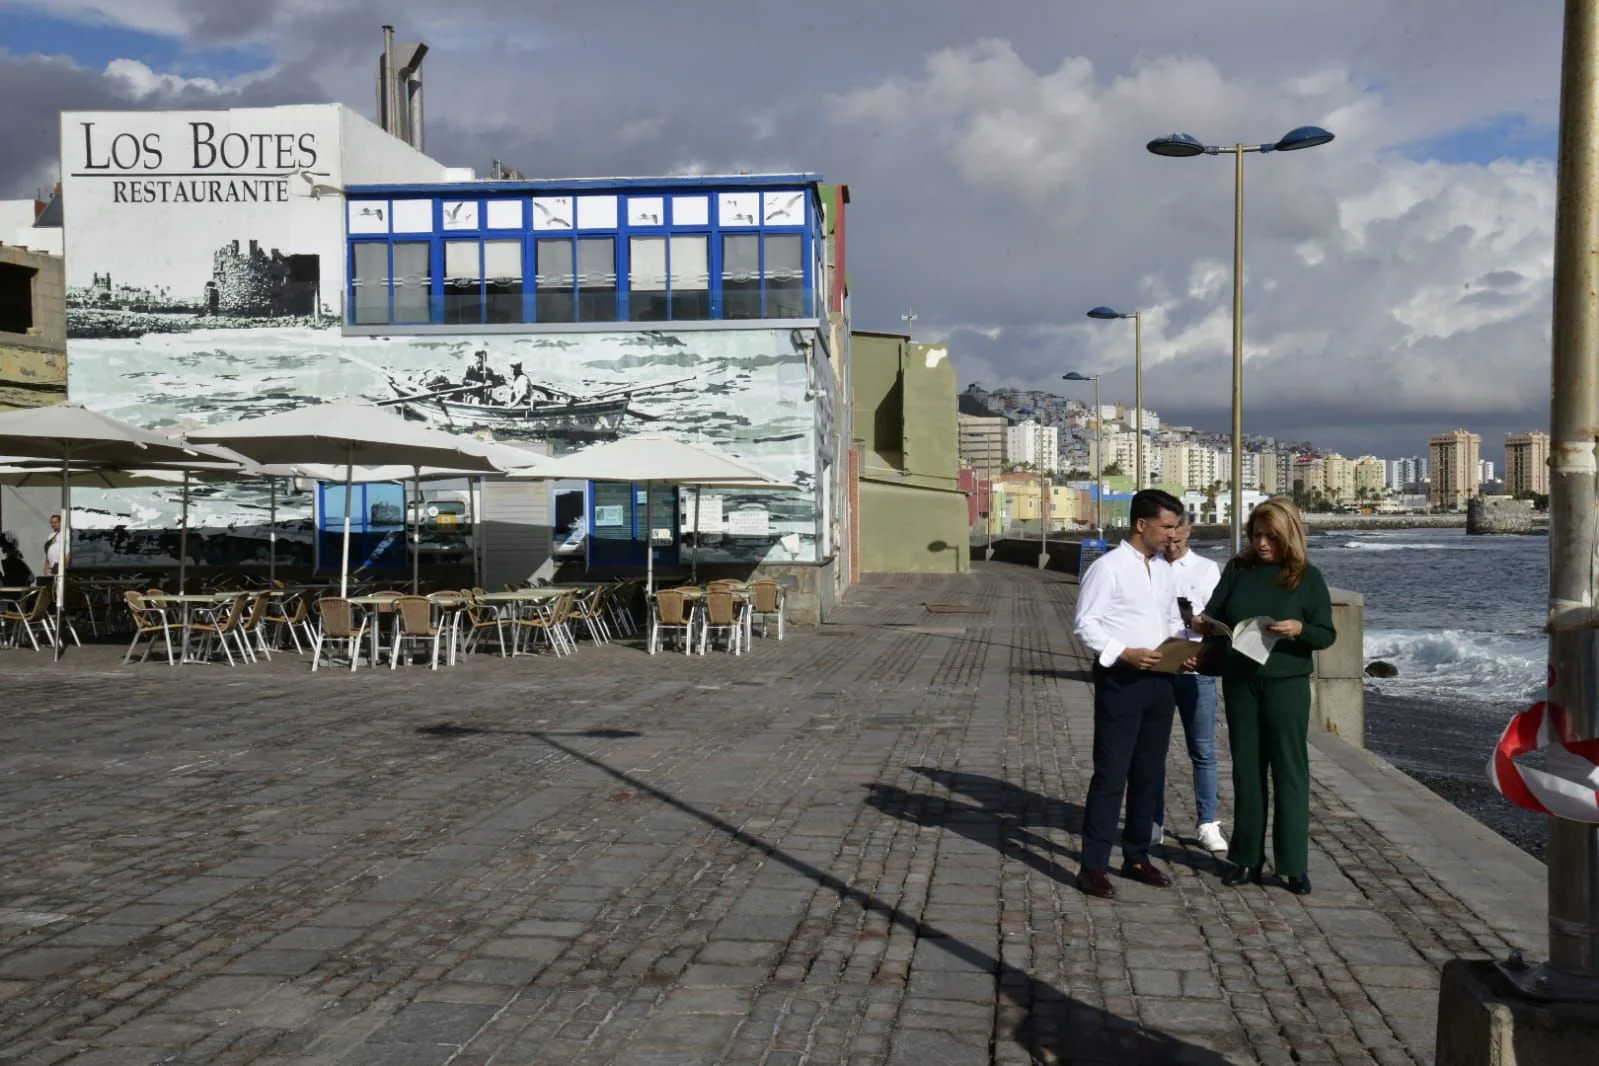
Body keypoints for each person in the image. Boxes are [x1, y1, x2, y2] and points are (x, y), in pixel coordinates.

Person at [1194, 496, 1336, 895]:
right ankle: (1246, 859)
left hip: (1287, 685)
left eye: (1270, 536)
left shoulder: (1307, 577)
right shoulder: (1239, 569)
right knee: (1246, 771)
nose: (1261, 544)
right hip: (1240, 682)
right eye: (1256, 535)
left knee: (1290, 772)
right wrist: (1204, 625)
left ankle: (1293, 865)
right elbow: (1215, 611)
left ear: (1287, 535)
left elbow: (1325, 633)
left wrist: (1298, 630)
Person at [1072, 488, 1187, 899]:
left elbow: (1172, 619)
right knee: (1111, 774)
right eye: (1167, 526)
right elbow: (1086, 624)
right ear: (1143, 525)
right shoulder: (1108, 568)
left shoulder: (1165, 569)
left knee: (1149, 774)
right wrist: (1125, 654)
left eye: (1175, 527)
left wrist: (1184, 648)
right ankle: (1093, 866)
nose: (1173, 535)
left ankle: (1137, 856)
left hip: (1162, 681)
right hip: (1122, 681)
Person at [1158, 516, 1229, 855]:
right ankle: (1151, 820)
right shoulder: (1149, 567)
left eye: (1178, 537)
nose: (1172, 544)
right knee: (1150, 750)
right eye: (1168, 536)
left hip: (1195, 670)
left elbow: (1219, 622)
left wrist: (1200, 646)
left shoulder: (1206, 570)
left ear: (1188, 532)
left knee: (1202, 750)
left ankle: (1207, 822)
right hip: (1156, 668)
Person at [42, 513, 68, 579]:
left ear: (61, 522)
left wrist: (64, 567)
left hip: (60, 567)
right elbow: (48, 552)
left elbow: (68, 553)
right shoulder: (51, 535)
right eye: (52, 523)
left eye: (55, 522)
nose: (53, 524)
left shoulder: (66, 533)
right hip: (50, 568)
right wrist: (46, 566)